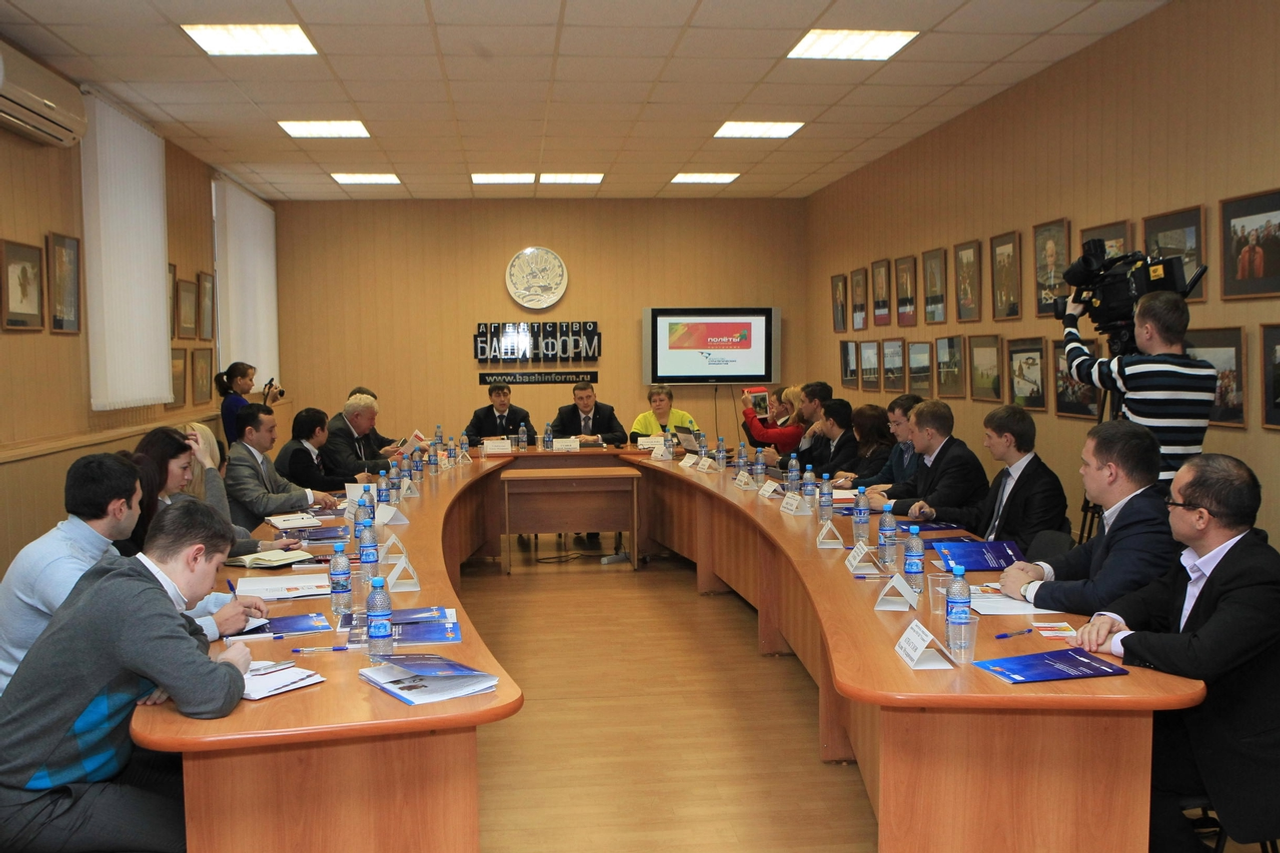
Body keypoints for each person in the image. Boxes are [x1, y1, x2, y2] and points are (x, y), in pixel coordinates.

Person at [0, 501, 252, 853]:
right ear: (196, 556)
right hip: (34, 795)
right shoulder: (136, 601)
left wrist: (167, 670)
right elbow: (210, 695)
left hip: (89, 761)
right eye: (217, 567)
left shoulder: (120, 573)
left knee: (221, 794)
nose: (213, 583)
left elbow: (191, 633)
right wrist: (232, 665)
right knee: (207, 837)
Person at [1069, 454, 1280, 852]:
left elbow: (1201, 655)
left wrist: (1119, 641)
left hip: (1232, 740)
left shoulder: (1258, 575)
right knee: (1084, 745)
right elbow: (1152, 597)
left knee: (1112, 769)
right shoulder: (1193, 558)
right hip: (1185, 719)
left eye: (1172, 500)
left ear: (1200, 518)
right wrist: (1111, 617)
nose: (1164, 507)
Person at [998, 420, 1179, 613]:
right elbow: (1089, 553)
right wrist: (1042, 570)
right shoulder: (1129, 507)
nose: (1081, 470)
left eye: (1086, 464)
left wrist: (1028, 589)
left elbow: (1101, 596)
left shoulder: (1146, 521)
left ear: (1110, 472)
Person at [1062, 290, 1216, 482]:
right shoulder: (1207, 372)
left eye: (1136, 325)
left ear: (1147, 331)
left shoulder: (1135, 369)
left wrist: (1070, 320)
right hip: (1186, 485)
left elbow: (1078, 367)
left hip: (1145, 484)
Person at [120, 426, 292, 563]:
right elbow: (220, 534)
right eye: (184, 467)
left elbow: (212, 540)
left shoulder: (166, 500)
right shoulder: (162, 507)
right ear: (161, 464)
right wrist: (208, 464)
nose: (189, 476)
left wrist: (265, 546)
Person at [909, 405, 1068, 553]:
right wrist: (934, 512)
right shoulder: (1005, 475)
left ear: (1007, 439)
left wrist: (984, 553)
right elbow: (979, 515)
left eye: (989, 437)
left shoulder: (1043, 486)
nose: (986, 444)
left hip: (1007, 561)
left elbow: (1028, 545)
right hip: (986, 548)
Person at [225, 404, 338, 530]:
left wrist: (312, 495)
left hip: (269, 526)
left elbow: (282, 486)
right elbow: (261, 503)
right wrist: (308, 497)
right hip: (252, 533)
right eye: (270, 430)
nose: (275, 436)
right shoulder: (237, 461)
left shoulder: (262, 456)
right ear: (250, 433)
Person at [882, 400, 988, 517]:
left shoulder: (959, 459)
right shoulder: (928, 455)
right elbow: (912, 486)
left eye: (912, 431)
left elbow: (935, 502)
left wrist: (888, 504)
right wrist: (883, 495)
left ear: (928, 434)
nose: (910, 437)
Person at [835, 394, 922, 490]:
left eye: (897, 424)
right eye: (891, 424)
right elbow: (882, 478)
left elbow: (913, 487)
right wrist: (852, 484)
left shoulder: (922, 451)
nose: (892, 430)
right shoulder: (898, 448)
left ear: (913, 422)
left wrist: (886, 492)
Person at [276, 407, 375, 492]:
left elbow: (330, 471)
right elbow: (318, 483)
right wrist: (354, 480)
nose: (328, 432)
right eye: (326, 428)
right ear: (318, 431)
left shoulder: (314, 448)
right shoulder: (297, 453)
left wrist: (357, 476)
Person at [321, 393, 403, 477]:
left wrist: (399, 460)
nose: (373, 423)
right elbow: (351, 466)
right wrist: (389, 463)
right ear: (356, 417)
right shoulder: (337, 432)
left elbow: (374, 456)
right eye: (371, 419)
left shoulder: (361, 429)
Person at [763, 381, 833, 466]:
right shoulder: (810, 426)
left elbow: (808, 462)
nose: (800, 406)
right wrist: (775, 457)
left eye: (803, 402)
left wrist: (777, 460)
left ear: (815, 403)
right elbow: (797, 453)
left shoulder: (829, 429)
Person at [215, 361, 279, 444]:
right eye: (250, 380)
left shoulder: (232, 399)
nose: (253, 384)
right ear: (239, 380)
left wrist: (267, 399)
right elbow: (261, 423)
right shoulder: (236, 402)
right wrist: (269, 400)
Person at [798, 399, 862, 478]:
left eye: (821, 419)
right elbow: (805, 464)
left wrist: (809, 473)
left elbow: (832, 468)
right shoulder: (826, 439)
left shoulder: (851, 441)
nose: (818, 423)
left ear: (830, 422)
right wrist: (807, 436)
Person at [549, 382, 627, 445]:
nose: (585, 402)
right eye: (580, 398)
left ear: (595, 396)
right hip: (573, 456)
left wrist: (595, 438)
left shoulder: (606, 411)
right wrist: (575, 439)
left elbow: (622, 436)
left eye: (588, 397)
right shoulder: (565, 413)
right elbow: (550, 435)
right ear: (575, 400)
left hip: (599, 455)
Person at [740, 385, 806, 455]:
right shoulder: (796, 425)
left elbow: (762, 434)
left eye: (786, 403)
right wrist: (771, 422)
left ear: (794, 405)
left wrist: (749, 408)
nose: (786, 407)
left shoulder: (796, 429)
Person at [464, 382, 537, 445]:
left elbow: (532, 437)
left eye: (505, 395)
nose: (502, 399)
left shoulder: (520, 414)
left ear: (510, 396)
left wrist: (502, 439)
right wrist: (489, 443)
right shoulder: (481, 414)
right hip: (489, 455)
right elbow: (466, 438)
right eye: (497, 395)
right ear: (490, 398)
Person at [629, 384, 698, 444]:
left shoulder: (683, 416)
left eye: (661, 400)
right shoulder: (643, 418)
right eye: (654, 401)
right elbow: (633, 437)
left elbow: (697, 435)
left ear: (670, 401)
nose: (657, 404)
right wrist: (653, 437)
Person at [844, 404, 894, 480]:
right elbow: (839, 470)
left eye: (855, 426)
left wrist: (850, 480)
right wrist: (847, 476)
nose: (853, 429)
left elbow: (868, 476)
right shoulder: (866, 448)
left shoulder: (884, 451)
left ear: (866, 429)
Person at [348, 386, 397, 452]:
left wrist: (399, 444)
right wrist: (382, 453)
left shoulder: (369, 427)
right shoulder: (343, 433)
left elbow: (381, 441)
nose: (373, 423)